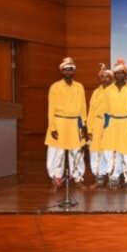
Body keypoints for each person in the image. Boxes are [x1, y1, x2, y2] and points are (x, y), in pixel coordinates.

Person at [45, 57, 87, 189]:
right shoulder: (55, 87)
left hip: (75, 123)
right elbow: (51, 108)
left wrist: (84, 126)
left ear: (73, 71)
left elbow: (83, 108)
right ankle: (56, 178)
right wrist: (52, 127)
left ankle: (77, 177)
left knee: (77, 151)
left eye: (70, 69)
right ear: (62, 71)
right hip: (59, 122)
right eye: (66, 70)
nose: (68, 72)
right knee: (56, 152)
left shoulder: (79, 87)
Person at [101, 59, 127, 188]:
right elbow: (105, 110)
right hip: (112, 123)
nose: (120, 75)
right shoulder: (108, 90)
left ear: (126, 74)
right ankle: (114, 176)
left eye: (122, 72)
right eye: (117, 73)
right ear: (114, 75)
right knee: (112, 151)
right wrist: (105, 126)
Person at [87, 63, 113, 187]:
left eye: (107, 76)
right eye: (102, 76)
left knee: (109, 151)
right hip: (97, 123)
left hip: (111, 124)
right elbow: (91, 111)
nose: (105, 79)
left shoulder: (115, 91)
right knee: (95, 151)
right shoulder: (96, 92)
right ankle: (99, 177)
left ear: (111, 78)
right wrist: (89, 129)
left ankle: (112, 177)